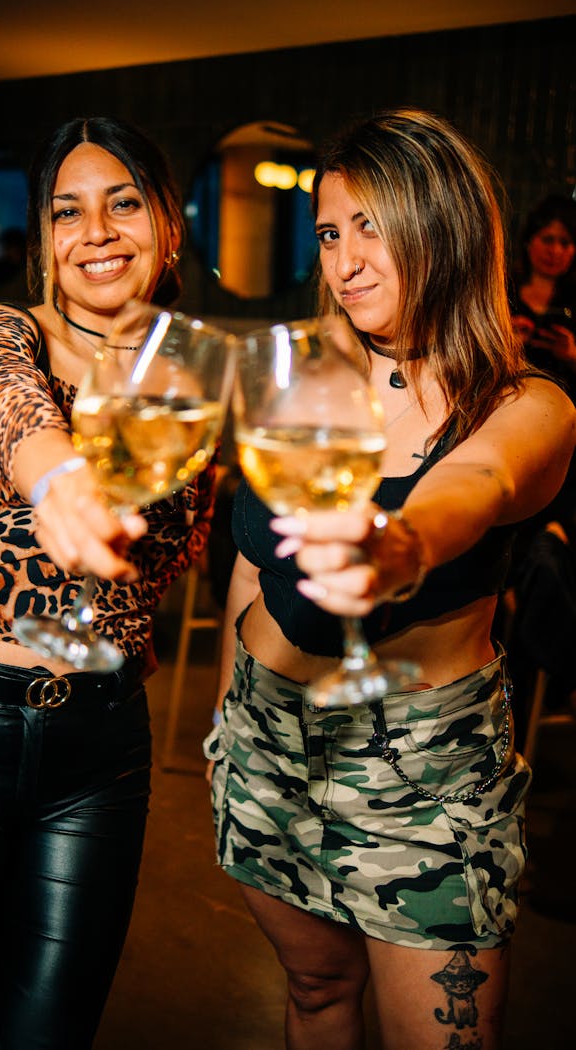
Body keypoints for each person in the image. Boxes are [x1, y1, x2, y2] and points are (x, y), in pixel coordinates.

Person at [204, 108, 576, 1050]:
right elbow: (251, 560)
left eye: (373, 225)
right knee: (316, 991)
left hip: (420, 771)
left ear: (442, 225)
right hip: (266, 747)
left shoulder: (527, 403)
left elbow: (478, 481)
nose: (346, 260)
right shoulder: (300, 383)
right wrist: (227, 725)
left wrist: (399, 544)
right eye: (331, 232)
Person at [0, 116, 216, 1050]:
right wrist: (62, 482)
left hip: (98, 750)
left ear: (169, 228)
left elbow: (173, 559)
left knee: (49, 1032)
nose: (96, 231)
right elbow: (16, 409)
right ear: (45, 236)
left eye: (124, 203)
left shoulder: (195, 382)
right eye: (68, 211)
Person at [510, 193, 576, 396]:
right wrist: (506, 341)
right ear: (529, 241)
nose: (555, 251)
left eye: (565, 243)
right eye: (548, 239)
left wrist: (572, 356)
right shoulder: (502, 292)